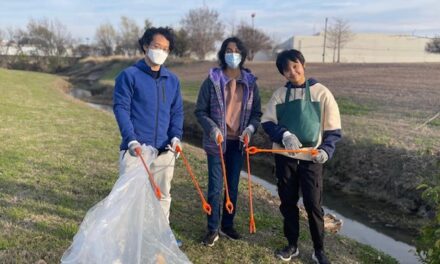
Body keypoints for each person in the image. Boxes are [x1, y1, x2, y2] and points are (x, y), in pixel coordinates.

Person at [261, 49, 341, 264]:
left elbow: (333, 130)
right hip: (285, 158)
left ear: (302, 65)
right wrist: (284, 135)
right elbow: (267, 122)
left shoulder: (321, 93)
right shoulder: (279, 95)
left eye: (295, 66)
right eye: (286, 69)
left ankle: (319, 249)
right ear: (282, 73)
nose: (292, 72)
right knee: (288, 202)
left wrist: (326, 150)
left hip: (311, 159)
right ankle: (292, 245)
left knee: (313, 205)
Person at [113, 27, 184, 244]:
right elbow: (121, 108)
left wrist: (176, 137)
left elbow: (177, 111)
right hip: (136, 151)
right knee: (129, 197)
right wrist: (131, 139)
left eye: (165, 49)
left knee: (162, 195)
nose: (160, 51)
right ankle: (126, 237)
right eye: (156, 46)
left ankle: (162, 234)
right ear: (145, 46)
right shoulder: (128, 76)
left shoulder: (172, 80)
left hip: (164, 150)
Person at [195, 37, 262, 247]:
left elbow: (256, 113)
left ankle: (227, 224)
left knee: (232, 186)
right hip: (217, 142)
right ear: (223, 54)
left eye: (236, 50)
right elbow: (200, 111)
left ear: (242, 55)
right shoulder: (212, 81)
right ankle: (212, 228)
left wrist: (251, 129)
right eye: (228, 50)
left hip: (238, 143)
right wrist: (213, 128)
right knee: (216, 186)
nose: (232, 53)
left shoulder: (251, 83)